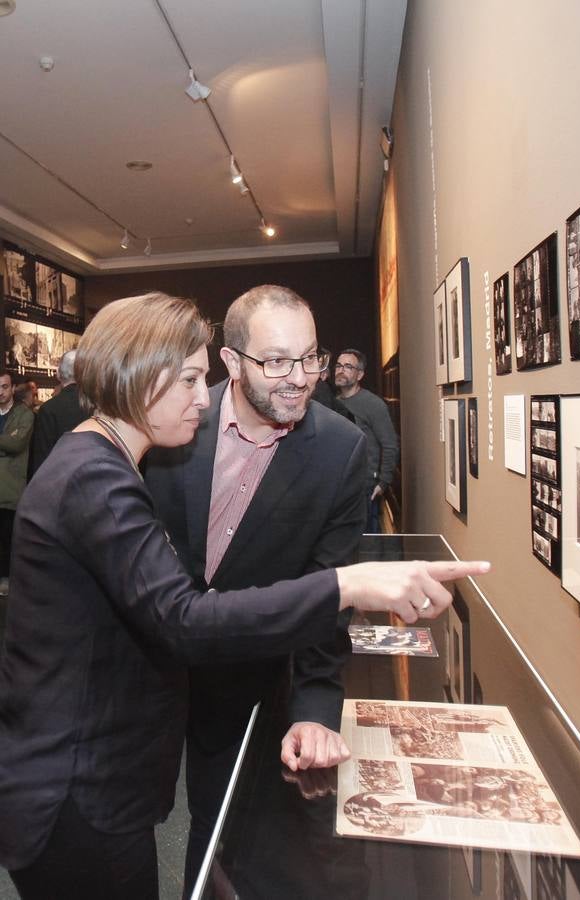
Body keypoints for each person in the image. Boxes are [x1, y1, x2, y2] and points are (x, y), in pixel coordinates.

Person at [0, 292, 489, 900]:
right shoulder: (97, 473)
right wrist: (349, 583)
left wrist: (312, 702)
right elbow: (181, 617)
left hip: (131, 754)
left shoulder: (104, 459)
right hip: (76, 779)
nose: (202, 397)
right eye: (188, 380)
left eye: (309, 358)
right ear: (140, 379)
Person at [145, 285, 367, 890]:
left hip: (245, 681)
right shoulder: (173, 420)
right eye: (276, 360)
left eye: (310, 357)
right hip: (146, 671)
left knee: (220, 836)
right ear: (232, 361)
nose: (299, 377)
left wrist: (315, 710)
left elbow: (327, 594)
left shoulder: (341, 451)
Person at [335, 349, 399, 532]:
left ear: (360, 374)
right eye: (338, 365)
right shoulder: (334, 403)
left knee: (365, 541)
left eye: (348, 366)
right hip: (339, 488)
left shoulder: (373, 404)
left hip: (365, 488)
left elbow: (390, 445)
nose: (341, 370)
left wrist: (383, 482)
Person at [0, 369, 35, 593]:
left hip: (11, 488)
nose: (0, 392)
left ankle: (6, 577)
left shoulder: (24, 414)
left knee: (8, 538)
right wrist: (7, 441)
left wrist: (9, 444)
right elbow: (10, 444)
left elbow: (17, 444)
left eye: (4, 387)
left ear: (13, 388)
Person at [29, 349, 86, 476]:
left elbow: (41, 456)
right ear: (83, 374)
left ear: (58, 374)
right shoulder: (95, 406)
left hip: (59, 477)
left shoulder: (48, 409)